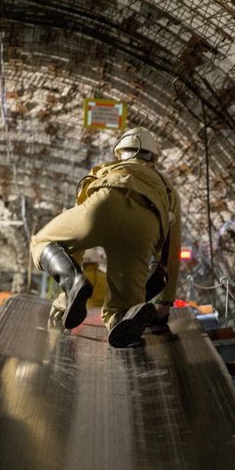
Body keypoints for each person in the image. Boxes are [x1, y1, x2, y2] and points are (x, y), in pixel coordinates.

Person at [29, 127, 182, 347]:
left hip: (103, 204)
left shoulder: (105, 170)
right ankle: (119, 318)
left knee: (41, 242)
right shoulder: (167, 189)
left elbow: (74, 246)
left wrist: (64, 302)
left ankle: (72, 282)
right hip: (143, 226)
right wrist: (164, 303)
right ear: (154, 158)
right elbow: (172, 252)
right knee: (122, 310)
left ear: (119, 152)